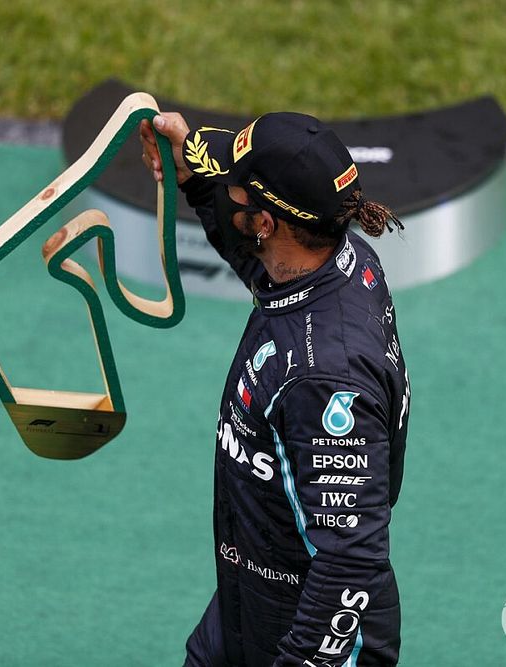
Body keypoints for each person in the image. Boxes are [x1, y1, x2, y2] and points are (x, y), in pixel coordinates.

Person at [140, 109, 412, 667]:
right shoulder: (335, 260)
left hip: (311, 635)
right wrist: (192, 177)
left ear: (266, 221)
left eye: (232, 185)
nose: (225, 188)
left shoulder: (322, 377)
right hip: (250, 600)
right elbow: (255, 256)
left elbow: (350, 558)